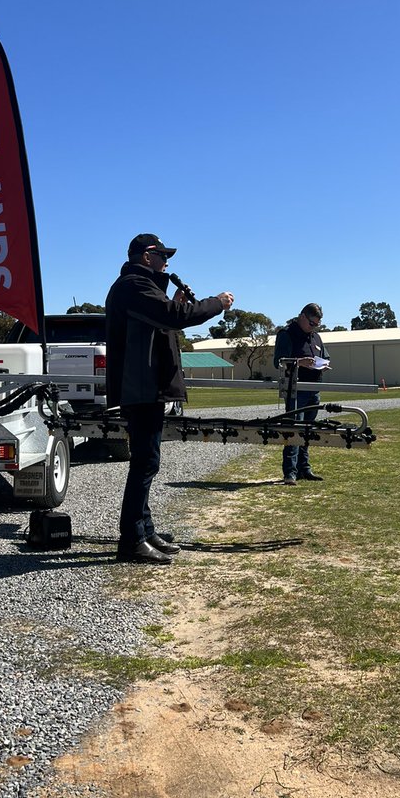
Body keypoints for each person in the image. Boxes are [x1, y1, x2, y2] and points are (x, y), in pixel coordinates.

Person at [105, 233, 233, 563]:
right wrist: (215, 303)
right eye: (163, 255)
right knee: (144, 463)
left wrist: (175, 303)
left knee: (148, 461)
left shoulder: (140, 287)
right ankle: (132, 540)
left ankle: (145, 531)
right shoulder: (134, 285)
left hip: (147, 387)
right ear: (147, 256)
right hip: (141, 388)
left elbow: (164, 319)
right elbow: (172, 317)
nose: (167, 262)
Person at [273, 303, 328, 485]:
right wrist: (299, 362)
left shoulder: (316, 337)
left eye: (317, 325)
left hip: (314, 390)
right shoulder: (286, 334)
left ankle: (305, 469)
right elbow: (278, 362)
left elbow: (325, 356)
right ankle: (290, 472)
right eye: (312, 323)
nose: (314, 328)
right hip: (296, 391)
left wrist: (324, 364)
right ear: (303, 317)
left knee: (307, 431)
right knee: (294, 430)